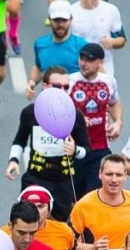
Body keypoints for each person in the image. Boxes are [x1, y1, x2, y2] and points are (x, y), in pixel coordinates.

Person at [6, 68, 91, 218]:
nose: (62, 90)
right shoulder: (30, 113)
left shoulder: (75, 115)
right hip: (35, 177)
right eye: (57, 86)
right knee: (29, 220)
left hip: (62, 181)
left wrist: (75, 150)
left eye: (66, 87)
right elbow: (20, 140)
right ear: (45, 86)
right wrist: (13, 161)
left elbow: (86, 150)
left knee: (59, 226)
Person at [66, 42, 122, 197]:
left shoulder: (108, 82)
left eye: (89, 60)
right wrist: (76, 119)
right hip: (75, 150)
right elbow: (57, 110)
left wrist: (117, 122)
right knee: (73, 197)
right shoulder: (70, 82)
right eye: (81, 58)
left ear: (100, 62)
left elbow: (114, 102)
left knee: (93, 195)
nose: (83, 63)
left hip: (100, 148)